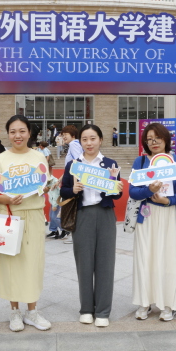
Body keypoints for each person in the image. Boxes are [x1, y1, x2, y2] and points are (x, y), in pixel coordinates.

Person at [0, 114, 52, 332]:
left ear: (29, 133)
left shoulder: (38, 157)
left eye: (22, 131)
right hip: (9, 217)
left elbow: (42, 184)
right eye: (13, 131)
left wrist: (46, 187)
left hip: (34, 215)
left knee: (33, 263)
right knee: (11, 265)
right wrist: (6, 199)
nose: (18, 135)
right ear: (7, 134)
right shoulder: (1, 159)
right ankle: (14, 311)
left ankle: (32, 311)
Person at [60, 124, 122, 327]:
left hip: (105, 215)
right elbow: (63, 191)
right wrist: (73, 189)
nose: (89, 143)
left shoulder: (110, 164)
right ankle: (86, 309)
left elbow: (117, 194)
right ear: (80, 142)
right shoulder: (73, 165)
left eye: (93, 138)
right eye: (84, 139)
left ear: (100, 140)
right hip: (82, 215)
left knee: (106, 263)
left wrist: (116, 187)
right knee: (84, 263)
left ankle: (103, 311)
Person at [129, 123, 176, 321]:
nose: (153, 142)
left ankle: (169, 304)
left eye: (157, 137)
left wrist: (169, 200)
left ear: (166, 139)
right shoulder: (140, 162)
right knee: (145, 258)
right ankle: (145, 302)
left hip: (170, 215)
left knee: (170, 259)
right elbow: (133, 191)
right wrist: (148, 190)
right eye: (149, 139)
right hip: (146, 216)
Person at [60, 125, 84, 245]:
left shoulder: (74, 144)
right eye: (63, 135)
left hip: (72, 180)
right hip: (70, 177)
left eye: (66, 135)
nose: (64, 137)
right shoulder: (75, 144)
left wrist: (74, 183)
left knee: (70, 206)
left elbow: (77, 162)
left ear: (73, 135)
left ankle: (72, 233)